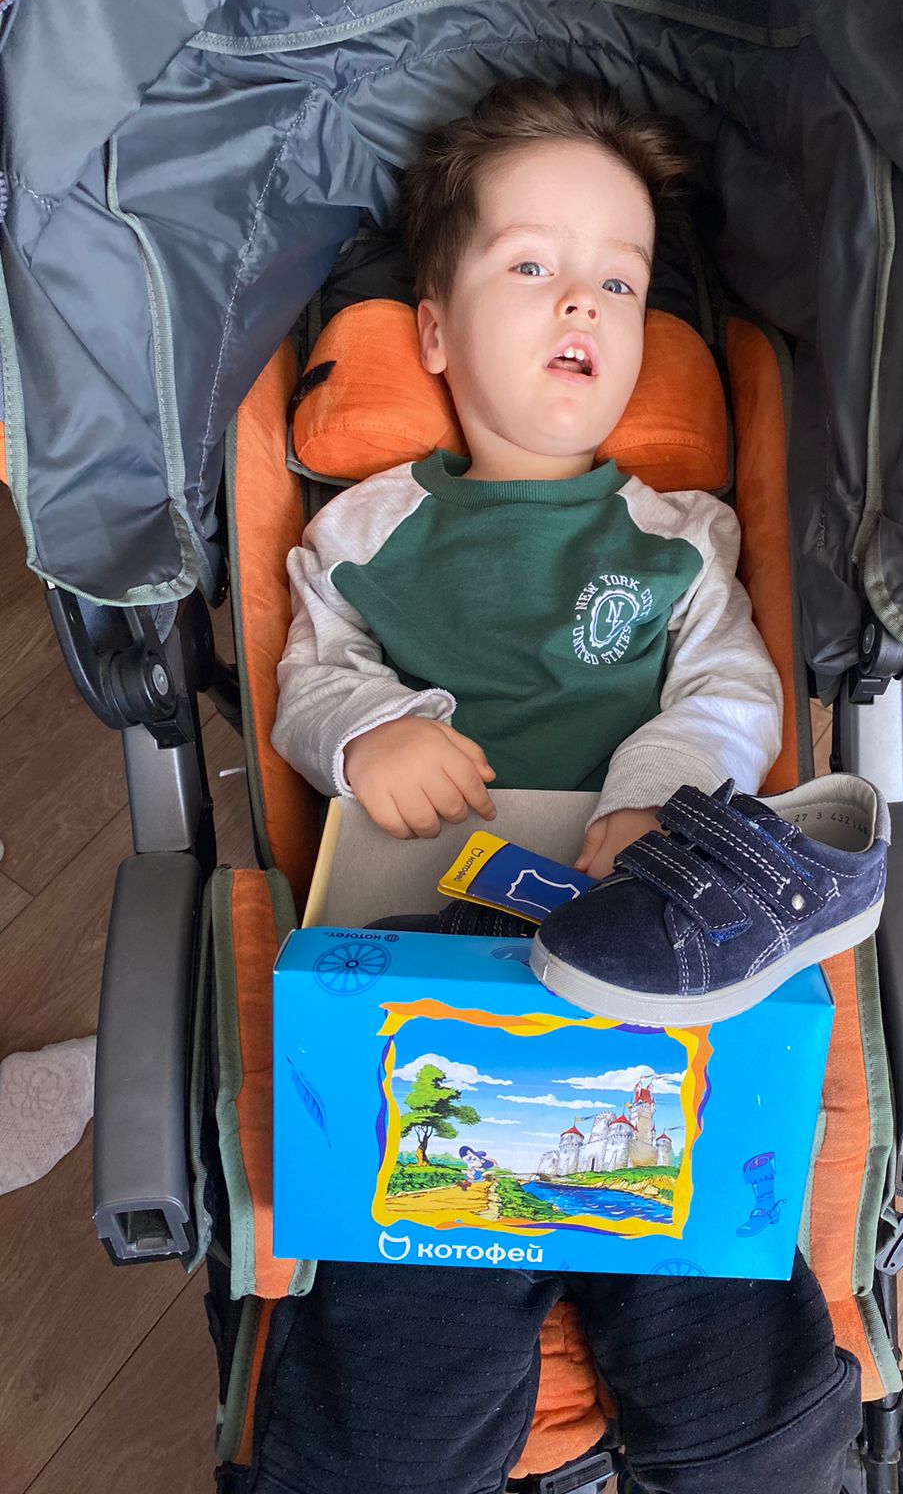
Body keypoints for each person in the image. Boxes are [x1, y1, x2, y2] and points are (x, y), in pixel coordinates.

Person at [261, 77, 861, 1494]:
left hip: (650, 958)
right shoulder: (366, 531)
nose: (583, 301)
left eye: (620, 281)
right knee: (395, 1384)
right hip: (429, 959)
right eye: (532, 267)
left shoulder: (677, 537)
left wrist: (660, 794)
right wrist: (371, 730)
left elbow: (732, 692)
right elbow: (309, 677)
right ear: (431, 332)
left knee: (736, 1364)